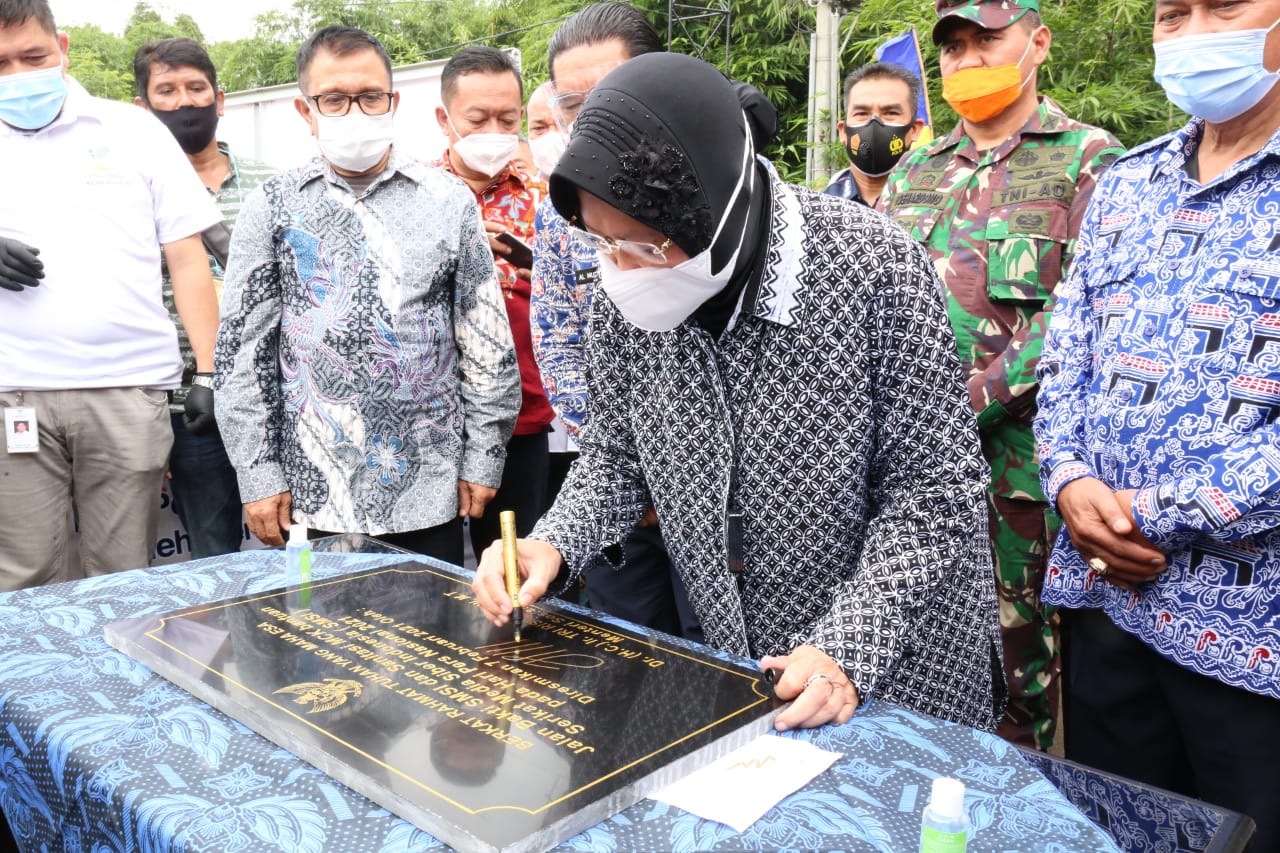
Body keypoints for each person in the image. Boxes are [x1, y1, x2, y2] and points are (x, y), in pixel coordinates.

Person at [475, 52, 1003, 733]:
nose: (622, 271)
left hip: (898, 667)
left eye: (646, 248)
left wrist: (847, 646)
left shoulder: (874, 267)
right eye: (603, 244)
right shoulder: (622, 286)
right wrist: (552, 543)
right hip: (744, 664)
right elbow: (615, 455)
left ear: (720, 216)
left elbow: (935, 491)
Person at [1035, 0, 1280, 844]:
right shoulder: (1128, 184)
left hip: (1249, 635)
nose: (1194, 32)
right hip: (1106, 599)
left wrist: (1149, 515)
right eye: (1173, 13)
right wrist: (1068, 478)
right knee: (1109, 828)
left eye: (1225, 7)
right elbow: (1066, 355)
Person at [880, 0, 1124, 750]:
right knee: (908, 646)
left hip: (1019, 477)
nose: (967, 58)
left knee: (1020, 670)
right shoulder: (915, 169)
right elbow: (873, 298)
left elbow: (1081, 318)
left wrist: (963, 402)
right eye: (952, 46)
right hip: (907, 471)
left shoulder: (1091, 159)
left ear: (1037, 43)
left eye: (987, 39)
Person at [214, 25, 520, 563]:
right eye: (333, 99)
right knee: (321, 643)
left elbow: (487, 343)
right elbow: (242, 352)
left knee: (430, 640)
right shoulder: (274, 206)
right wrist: (256, 473)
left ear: (393, 102)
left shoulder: (447, 201)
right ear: (306, 111)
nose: (354, 111)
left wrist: (484, 457)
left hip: (428, 487)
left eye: (370, 96)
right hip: (312, 494)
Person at [0, 0, 221, 591]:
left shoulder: (134, 130)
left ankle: (116, 688)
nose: (18, 76)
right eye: (0, 63)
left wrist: (209, 372)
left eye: (33, 56)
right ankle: (28, 688)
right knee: (21, 579)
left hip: (125, 390)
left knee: (122, 578)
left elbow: (187, 257)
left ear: (63, 47)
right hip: (12, 393)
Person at [529, 1, 701, 639]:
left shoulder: (713, 194)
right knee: (622, 656)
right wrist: (623, 466)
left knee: (721, 666)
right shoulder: (559, 209)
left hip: (715, 495)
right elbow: (558, 340)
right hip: (608, 489)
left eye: (609, 96)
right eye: (574, 105)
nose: (590, 119)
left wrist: (675, 472)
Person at [133, 37, 277, 559]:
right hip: (186, 404)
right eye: (166, 91)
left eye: (196, 88)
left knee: (292, 538)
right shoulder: (130, 193)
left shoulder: (270, 184)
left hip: (269, 398)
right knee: (213, 546)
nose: (184, 103)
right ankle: (229, 638)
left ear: (220, 98)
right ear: (141, 108)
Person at [432, 46, 555, 559]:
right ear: (445, 119)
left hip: (521, 420)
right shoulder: (418, 198)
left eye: (507, 118)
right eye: (477, 119)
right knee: (425, 579)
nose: (494, 131)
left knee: (516, 571)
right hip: (430, 423)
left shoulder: (547, 198)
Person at [825, 62, 925, 206]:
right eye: (862, 113)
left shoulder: (941, 203)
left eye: (890, 113)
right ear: (843, 131)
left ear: (915, 130)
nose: (874, 123)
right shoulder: (821, 206)